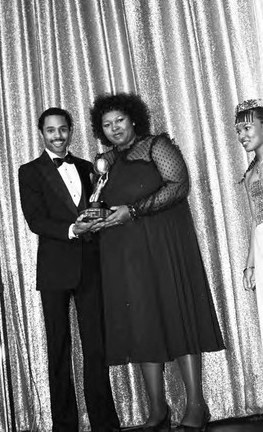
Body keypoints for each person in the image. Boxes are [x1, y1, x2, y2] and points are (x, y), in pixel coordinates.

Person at [89, 93, 225, 432]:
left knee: (176, 316)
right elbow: (105, 204)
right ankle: (157, 410)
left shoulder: (155, 146)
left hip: (164, 247)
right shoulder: (103, 163)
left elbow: (179, 186)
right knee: (141, 323)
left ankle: (196, 406)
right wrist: (96, 218)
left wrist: (133, 211)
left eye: (119, 120)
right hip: (124, 253)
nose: (114, 128)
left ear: (133, 119)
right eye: (107, 124)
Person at [18, 107, 120, 432]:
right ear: (42, 133)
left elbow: (99, 207)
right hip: (54, 269)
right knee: (59, 348)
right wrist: (73, 230)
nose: (58, 136)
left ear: (71, 130)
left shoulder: (90, 167)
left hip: (90, 266)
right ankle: (64, 426)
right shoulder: (29, 172)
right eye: (51, 131)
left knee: (96, 347)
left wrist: (99, 219)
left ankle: (105, 424)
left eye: (63, 129)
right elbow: (36, 220)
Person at [235, 99, 263, 342]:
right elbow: (256, 220)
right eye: (238, 131)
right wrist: (250, 264)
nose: (242, 135)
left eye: (247, 128)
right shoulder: (250, 174)